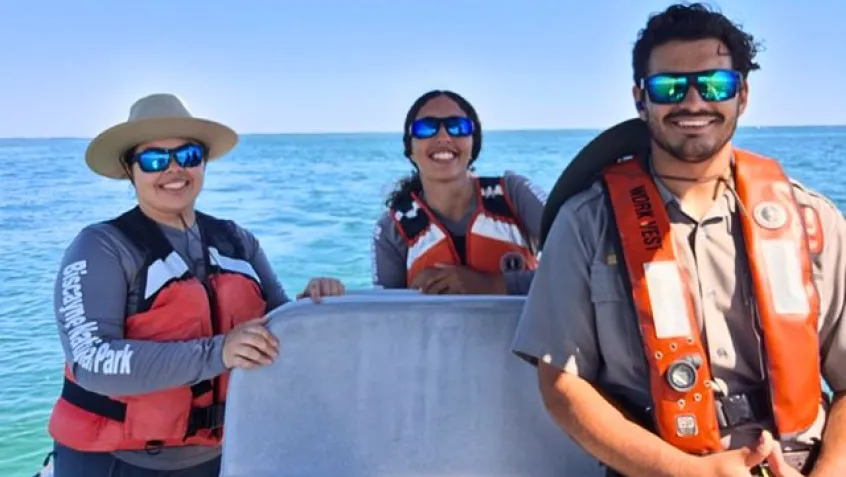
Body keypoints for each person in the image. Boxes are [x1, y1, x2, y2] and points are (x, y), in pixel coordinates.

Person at [511, 4, 846, 477]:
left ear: (742, 95)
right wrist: (690, 473)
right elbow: (562, 385)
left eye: (715, 84)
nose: (693, 102)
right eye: (669, 87)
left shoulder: (814, 220)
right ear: (639, 98)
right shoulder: (585, 224)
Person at [45, 93, 346, 477]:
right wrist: (218, 352)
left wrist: (311, 308)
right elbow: (91, 361)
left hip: (220, 456)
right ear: (129, 168)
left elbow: (279, 329)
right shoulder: (100, 247)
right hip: (115, 461)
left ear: (203, 163)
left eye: (188, 155)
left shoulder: (238, 240)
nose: (174, 169)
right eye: (154, 159)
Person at [371, 89, 547, 295]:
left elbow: (575, 265)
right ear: (410, 149)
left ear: (474, 144)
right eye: (426, 128)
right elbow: (384, 310)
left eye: (458, 127)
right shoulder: (392, 230)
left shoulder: (513, 195)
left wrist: (493, 285)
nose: (443, 137)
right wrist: (414, 296)